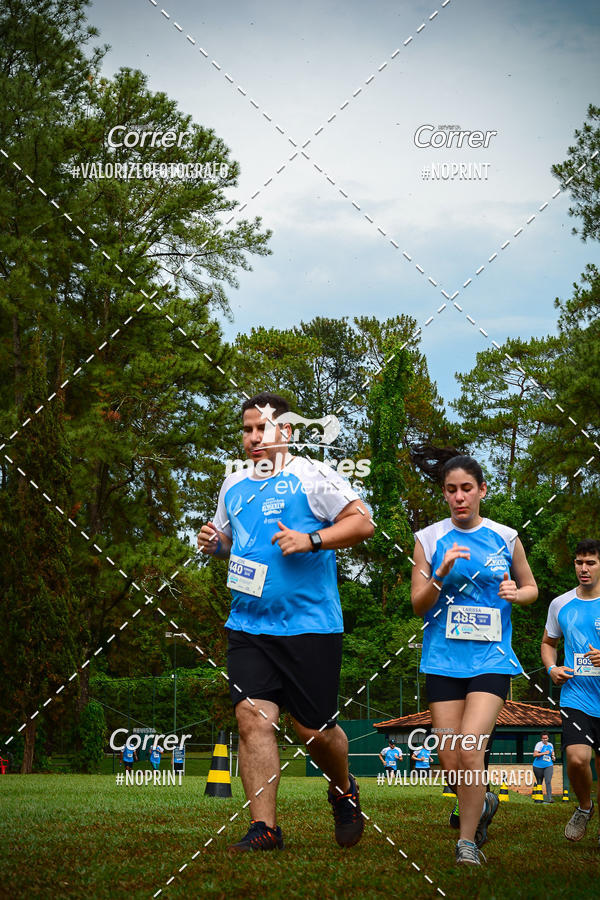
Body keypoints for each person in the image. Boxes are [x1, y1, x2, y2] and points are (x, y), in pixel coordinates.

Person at [198, 392, 374, 853]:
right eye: (247, 429)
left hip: (309, 626)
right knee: (252, 719)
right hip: (249, 626)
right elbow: (235, 544)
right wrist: (214, 544)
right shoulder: (232, 485)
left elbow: (362, 523)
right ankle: (265, 828)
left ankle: (343, 789)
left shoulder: (311, 475)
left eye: (263, 428)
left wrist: (313, 538)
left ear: (287, 431)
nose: (254, 438)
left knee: (312, 729)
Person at [410, 449, 538, 866]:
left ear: (482, 490)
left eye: (467, 489)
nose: (459, 497)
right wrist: (441, 573)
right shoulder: (428, 540)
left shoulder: (505, 536)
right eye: (451, 490)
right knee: (450, 760)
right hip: (443, 660)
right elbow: (418, 604)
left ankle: (466, 842)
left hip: (491, 659)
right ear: (444, 494)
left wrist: (517, 595)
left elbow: (531, 586)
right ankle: (481, 802)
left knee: (469, 748)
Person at [541, 538, 600, 845]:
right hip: (576, 695)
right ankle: (585, 807)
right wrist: (552, 669)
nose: (584, 568)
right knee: (577, 759)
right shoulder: (560, 604)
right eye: (579, 562)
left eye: (590, 562)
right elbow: (548, 643)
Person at [532, 732, 555, 803]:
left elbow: (552, 752)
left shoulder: (550, 745)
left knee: (548, 781)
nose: (545, 739)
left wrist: (553, 757)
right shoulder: (539, 745)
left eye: (546, 738)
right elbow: (535, 754)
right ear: (541, 738)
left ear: (548, 738)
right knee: (539, 782)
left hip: (548, 765)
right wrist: (544, 753)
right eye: (543, 738)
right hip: (538, 766)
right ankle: (538, 798)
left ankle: (549, 798)